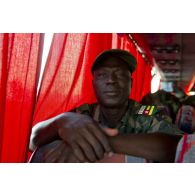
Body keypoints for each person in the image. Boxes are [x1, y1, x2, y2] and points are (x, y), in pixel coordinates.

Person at [29, 49, 182, 163]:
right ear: (93, 85)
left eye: (120, 74)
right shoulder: (83, 113)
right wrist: (61, 121)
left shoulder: (144, 111)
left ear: (131, 84)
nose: (111, 80)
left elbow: (176, 145)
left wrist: (98, 142)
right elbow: (32, 141)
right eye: (102, 75)